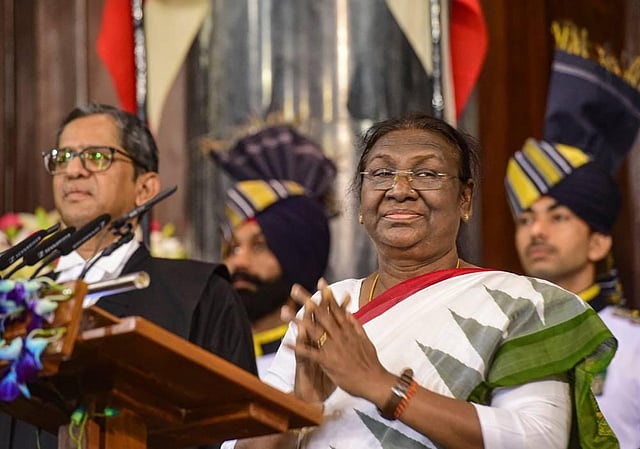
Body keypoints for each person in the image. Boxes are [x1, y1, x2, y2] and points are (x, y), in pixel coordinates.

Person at [225, 114, 618, 449]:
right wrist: (300, 404)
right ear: (361, 203)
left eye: (426, 173)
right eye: (381, 173)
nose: (399, 190)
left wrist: (382, 386)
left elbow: (539, 438)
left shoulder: (518, 303)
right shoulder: (329, 306)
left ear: (465, 199)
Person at [0, 103, 257, 449]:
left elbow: (239, 429)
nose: (73, 170)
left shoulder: (199, 295)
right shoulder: (17, 306)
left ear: (145, 188)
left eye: (97, 156)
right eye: (63, 157)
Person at [505, 24, 640, 449]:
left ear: (599, 243)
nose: (536, 231)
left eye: (558, 217)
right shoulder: (504, 337)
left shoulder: (633, 343)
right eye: (525, 220)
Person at [209, 125, 335, 377]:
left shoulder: (324, 365)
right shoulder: (205, 355)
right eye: (233, 247)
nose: (238, 261)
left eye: (259, 246)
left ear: (299, 259)